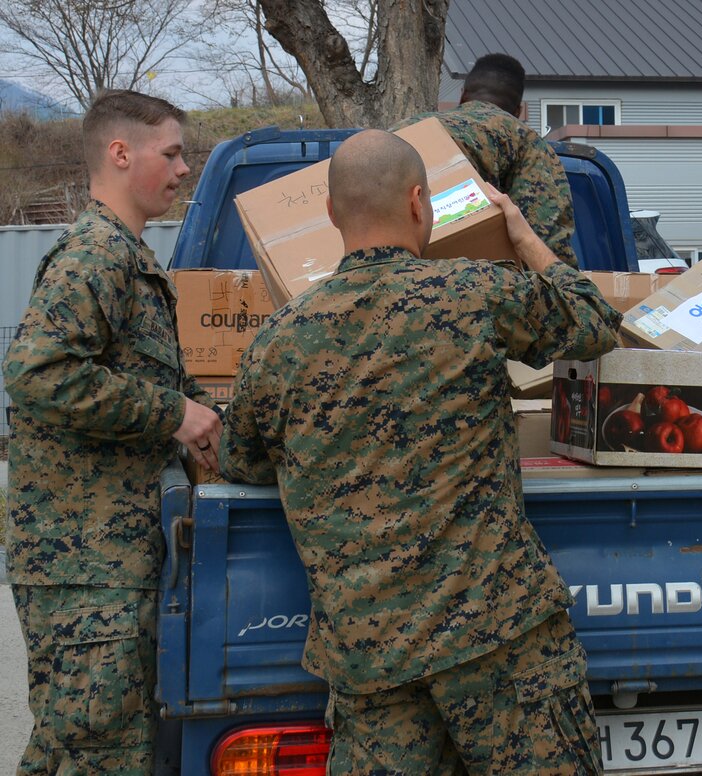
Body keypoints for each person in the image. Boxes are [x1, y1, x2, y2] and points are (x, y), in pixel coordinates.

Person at [218, 129, 620, 771]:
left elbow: (238, 460)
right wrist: (518, 231)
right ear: (417, 203)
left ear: (330, 214)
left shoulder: (279, 341)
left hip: (370, 656)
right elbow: (592, 321)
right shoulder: (474, 293)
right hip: (496, 635)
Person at [3, 89, 222, 772]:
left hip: (110, 555)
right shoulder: (94, 255)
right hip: (81, 563)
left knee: (105, 745)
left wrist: (206, 418)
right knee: (91, 750)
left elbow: (143, 378)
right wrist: (174, 414)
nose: (184, 168)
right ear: (120, 154)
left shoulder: (129, 257)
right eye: (172, 153)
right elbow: (39, 373)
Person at [394, 52, 579, 267]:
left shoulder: (402, 129)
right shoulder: (525, 141)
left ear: (463, 96)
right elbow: (547, 249)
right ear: (517, 110)